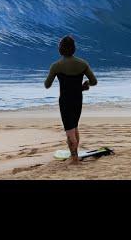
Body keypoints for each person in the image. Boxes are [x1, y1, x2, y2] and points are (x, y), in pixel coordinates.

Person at [44, 35, 98, 164]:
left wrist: (55, 75)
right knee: (74, 126)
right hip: (78, 100)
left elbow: (47, 84)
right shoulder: (82, 63)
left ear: (60, 49)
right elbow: (93, 82)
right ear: (74, 49)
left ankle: (74, 159)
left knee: (69, 131)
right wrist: (84, 87)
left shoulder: (56, 66)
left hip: (65, 101)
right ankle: (75, 155)